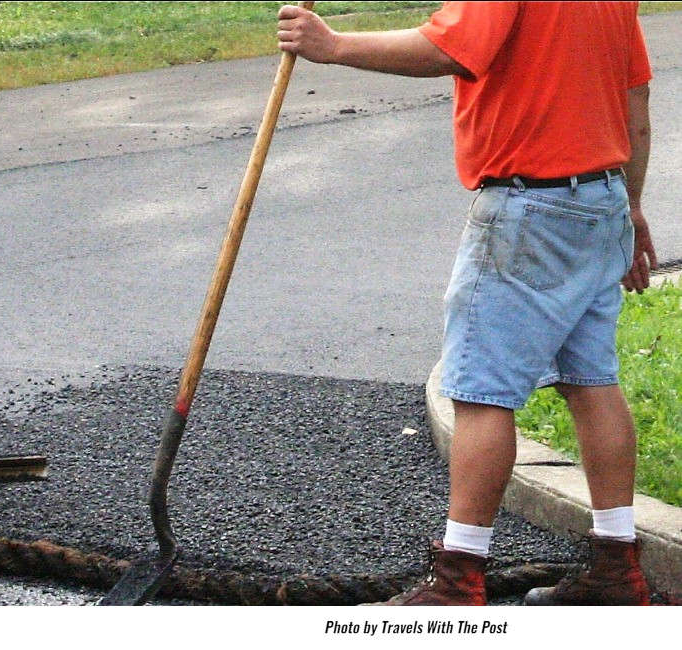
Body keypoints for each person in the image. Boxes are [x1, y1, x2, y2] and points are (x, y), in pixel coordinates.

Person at [278, 2, 657, 605]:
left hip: (528, 206)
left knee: (480, 389)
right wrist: (631, 209)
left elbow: (449, 49)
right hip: (601, 196)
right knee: (591, 380)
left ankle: (459, 581)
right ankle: (618, 569)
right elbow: (634, 97)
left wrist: (332, 46)